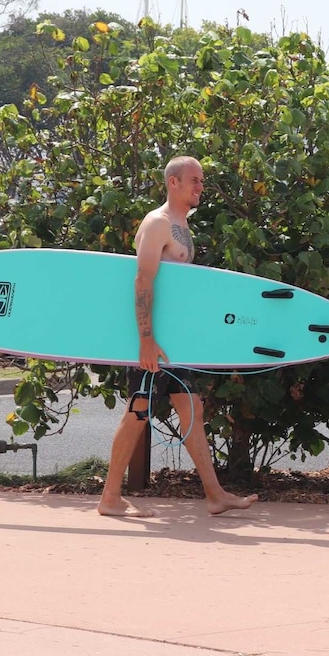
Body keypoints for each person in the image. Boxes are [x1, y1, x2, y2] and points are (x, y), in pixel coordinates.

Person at [97, 156, 259, 518]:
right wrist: (146, 340)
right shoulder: (157, 224)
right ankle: (109, 497)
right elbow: (142, 281)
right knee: (138, 413)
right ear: (173, 182)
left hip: (173, 341)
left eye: (201, 181)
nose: (201, 187)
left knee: (192, 408)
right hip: (153, 341)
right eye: (194, 181)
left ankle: (214, 494)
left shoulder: (182, 225)